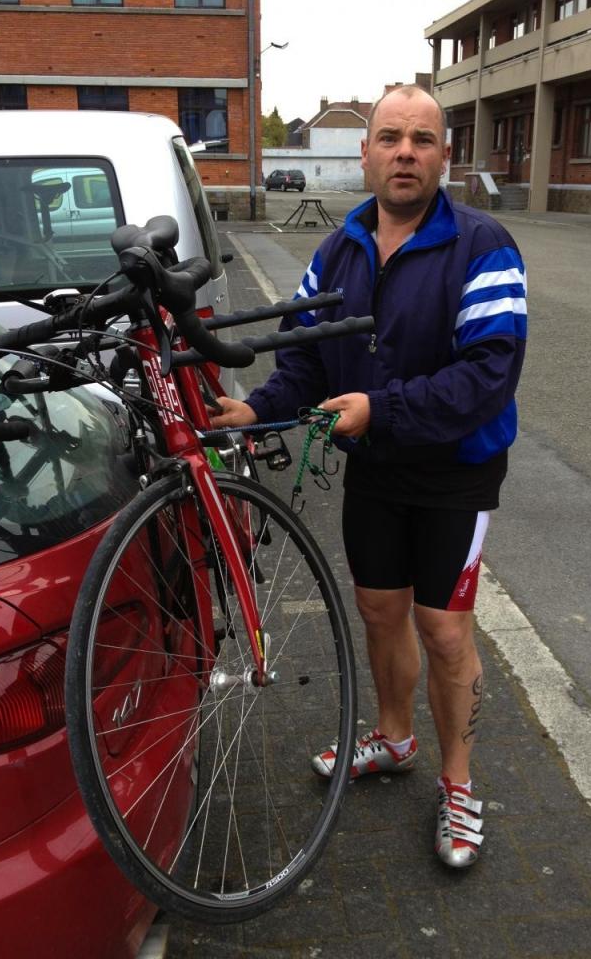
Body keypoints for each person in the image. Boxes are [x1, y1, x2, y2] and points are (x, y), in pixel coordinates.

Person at [210, 84, 527, 869]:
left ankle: (458, 782)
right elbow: (305, 359)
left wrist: (378, 409)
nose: (405, 153)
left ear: (444, 155)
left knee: (444, 630)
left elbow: (487, 375)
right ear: (366, 153)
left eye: (421, 140)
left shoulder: (483, 245)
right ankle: (394, 737)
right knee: (380, 613)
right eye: (390, 138)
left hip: (455, 473)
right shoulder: (339, 249)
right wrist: (257, 410)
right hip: (376, 468)